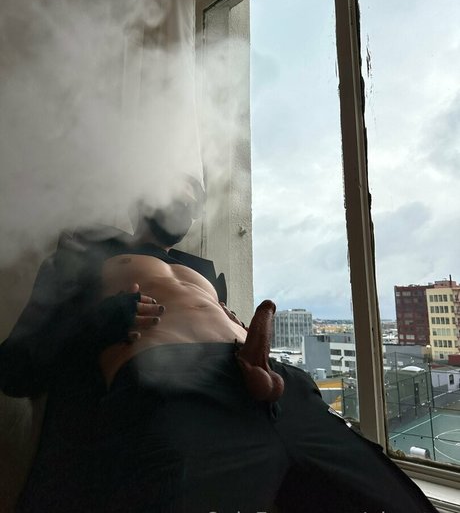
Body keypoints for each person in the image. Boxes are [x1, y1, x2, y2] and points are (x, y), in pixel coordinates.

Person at [0, 176, 438, 513]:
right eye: (179, 185)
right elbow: (15, 369)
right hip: (178, 394)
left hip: (277, 389)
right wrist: (99, 322)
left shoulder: (202, 271)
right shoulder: (84, 251)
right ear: (142, 195)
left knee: (390, 498)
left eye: (195, 200)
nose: (188, 202)